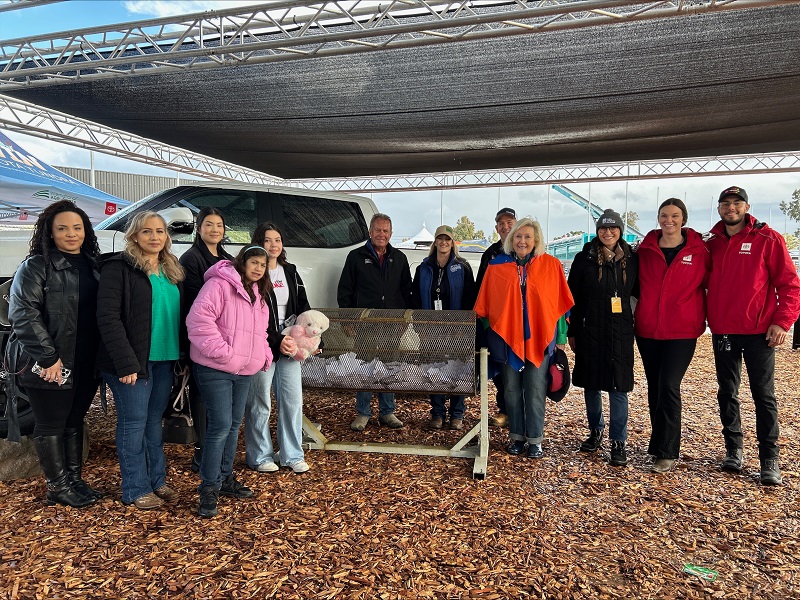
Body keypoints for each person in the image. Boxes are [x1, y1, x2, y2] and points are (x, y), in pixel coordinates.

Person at [6, 200, 103, 507]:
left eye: (77, 228)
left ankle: (74, 479)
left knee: (74, 420)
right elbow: (23, 314)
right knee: (50, 424)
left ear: (86, 231)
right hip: (50, 362)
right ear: (49, 232)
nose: (71, 234)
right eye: (62, 228)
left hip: (85, 360)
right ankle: (57, 486)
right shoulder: (36, 266)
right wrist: (48, 358)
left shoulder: (93, 264)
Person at [706, 186, 800, 485]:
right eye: (725, 204)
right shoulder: (712, 243)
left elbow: (789, 285)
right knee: (727, 392)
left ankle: (769, 459)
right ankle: (734, 450)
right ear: (719, 208)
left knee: (764, 395)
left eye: (736, 203)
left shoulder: (768, 239)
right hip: (723, 329)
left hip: (759, 331)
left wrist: (783, 322)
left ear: (746, 206)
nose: (730, 208)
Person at [97, 211, 184, 510]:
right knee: (133, 424)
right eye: (147, 231)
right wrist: (126, 363)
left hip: (164, 359)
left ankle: (156, 481)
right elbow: (107, 318)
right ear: (134, 235)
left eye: (160, 231)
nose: (154, 237)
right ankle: (135, 488)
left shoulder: (171, 269)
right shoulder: (118, 269)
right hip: (132, 362)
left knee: (152, 424)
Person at [474, 218, 573, 459]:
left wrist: (560, 337)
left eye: (528, 236)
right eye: (518, 236)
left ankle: (535, 439)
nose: (522, 241)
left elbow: (559, 306)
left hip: (540, 338)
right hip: (506, 339)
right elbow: (485, 307)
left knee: (536, 388)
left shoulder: (551, 265)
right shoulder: (496, 266)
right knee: (510, 389)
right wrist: (494, 333)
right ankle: (516, 437)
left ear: (536, 240)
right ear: (510, 240)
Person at [187, 245, 273, 518]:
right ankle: (208, 488)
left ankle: (225, 478)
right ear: (242, 262)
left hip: (244, 370)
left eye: (263, 265)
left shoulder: (258, 294)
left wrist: (264, 355)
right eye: (254, 262)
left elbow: (261, 331)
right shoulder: (219, 284)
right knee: (220, 425)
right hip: (216, 368)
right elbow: (198, 321)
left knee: (234, 424)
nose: (258, 268)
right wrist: (223, 352)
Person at [634, 199, 710, 473]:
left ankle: (667, 450)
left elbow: (715, 284)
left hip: (682, 330)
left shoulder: (700, 251)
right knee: (654, 386)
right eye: (664, 215)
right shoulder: (645, 250)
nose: (669, 220)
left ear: (683, 219)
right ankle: (659, 444)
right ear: (658, 218)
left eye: (675, 216)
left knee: (668, 385)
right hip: (648, 330)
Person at [568, 209, 638, 467]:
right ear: (597, 231)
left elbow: (640, 293)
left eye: (613, 228)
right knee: (592, 384)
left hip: (620, 332)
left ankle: (618, 441)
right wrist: (573, 330)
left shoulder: (631, 258)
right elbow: (572, 298)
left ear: (620, 230)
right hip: (590, 330)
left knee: (619, 386)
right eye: (603, 228)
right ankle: (595, 431)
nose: (608, 232)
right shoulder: (583, 259)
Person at [245, 223, 311, 475]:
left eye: (278, 239)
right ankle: (260, 455)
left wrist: (309, 338)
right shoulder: (253, 273)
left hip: (291, 342)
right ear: (257, 243)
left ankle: (291, 454)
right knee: (260, 401)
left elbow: (304, 306)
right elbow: (249, 315)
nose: (273, 245)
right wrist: (275, 338)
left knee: (292, 401)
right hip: (263, 343)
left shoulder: (290, 272)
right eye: (267, 240)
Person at [337, 213, 412, 431]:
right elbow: (345, 290)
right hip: (364, 323)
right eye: (378, 230)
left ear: (391, 233)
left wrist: (405, 318)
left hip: (392, 322)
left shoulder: (399, 258)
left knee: (388, 366)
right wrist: (347, 321)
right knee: (364, 365)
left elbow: (407, 290)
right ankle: (363, 413)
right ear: (370, 232)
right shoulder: (355, 256)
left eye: (386, 231)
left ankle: (387, 412)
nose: (382, 234)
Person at [178, 207, 233, 472]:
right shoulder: (191, 259)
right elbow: (192, 303)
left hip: (226, 338)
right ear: (198, 228)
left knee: (219, 397)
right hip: (201, 338)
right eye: (209, 224)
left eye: (219, 225)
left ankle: (215, 449)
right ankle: (201, 451)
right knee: (200, 395)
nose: (215, 230)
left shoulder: (227, 258)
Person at [412, 224, 477, 430]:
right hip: (430, 328)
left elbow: (470, 297)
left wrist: (464, 325)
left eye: (447, 239)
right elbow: (414, 296)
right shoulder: (423, 268)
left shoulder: (463, 266)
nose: (443, 243)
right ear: (435, 242)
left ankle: (457, 413)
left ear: (452, 242)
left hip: (456, 328)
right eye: (440, 238)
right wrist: (419, 323)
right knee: (434, 369)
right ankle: (437, 412)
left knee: (458, 368)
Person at [475, 207, 517, 428]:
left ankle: (523, 412)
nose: (506, 227)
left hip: (520, 322)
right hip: (496, 322)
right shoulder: (490, 254)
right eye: (501, 223)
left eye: (509, 222)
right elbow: (481, 287)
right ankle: (505, 410)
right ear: (496, 228)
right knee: (500, 368)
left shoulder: (525, 250)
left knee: (523, 368)